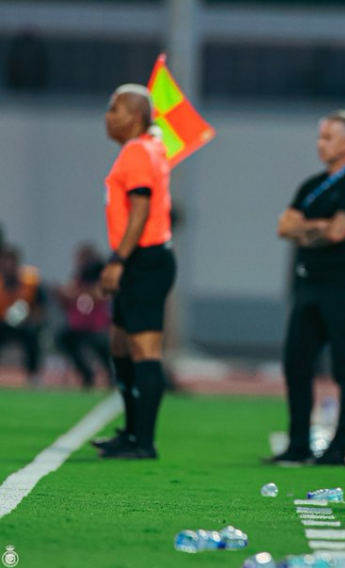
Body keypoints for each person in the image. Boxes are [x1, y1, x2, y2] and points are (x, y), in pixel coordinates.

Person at [272, 110, 345, 466]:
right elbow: (284, 227)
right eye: (320, 136)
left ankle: (338, 448)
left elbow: (338, 232)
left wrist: (308, 227)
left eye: (329, 137)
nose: (322, 143)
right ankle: (298, 444)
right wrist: (319, 227)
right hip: (309, 287)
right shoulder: (311, 185)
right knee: (296, 364)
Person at [90, 84, 176, 459]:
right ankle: (131, 432)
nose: (109, 116)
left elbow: (139, 210)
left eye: (115, 109)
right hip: (142, 259)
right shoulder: (147, 148)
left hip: (144, 259)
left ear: (136, 117)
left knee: (144, 350)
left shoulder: (139, 150)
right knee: (121, 345)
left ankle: (143, 442)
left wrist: (118, 260)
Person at [55, 244, 112, 389]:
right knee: (64, 338)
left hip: (98, 329)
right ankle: (86, 374)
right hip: (78, 329)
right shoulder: (78, 278)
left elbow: (100, 294)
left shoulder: (101, 276)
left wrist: (76, 292)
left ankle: (112, 375)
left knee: (103, 344)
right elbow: (66, 297)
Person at [0, 247, 47, 384]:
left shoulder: (29, 281)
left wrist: (31, 318)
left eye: (12, 262)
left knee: (32, 335)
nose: (8, 265)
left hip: (25, 324)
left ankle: (33, 375)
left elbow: (41, 306)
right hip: (3, 323)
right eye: (5, 261)